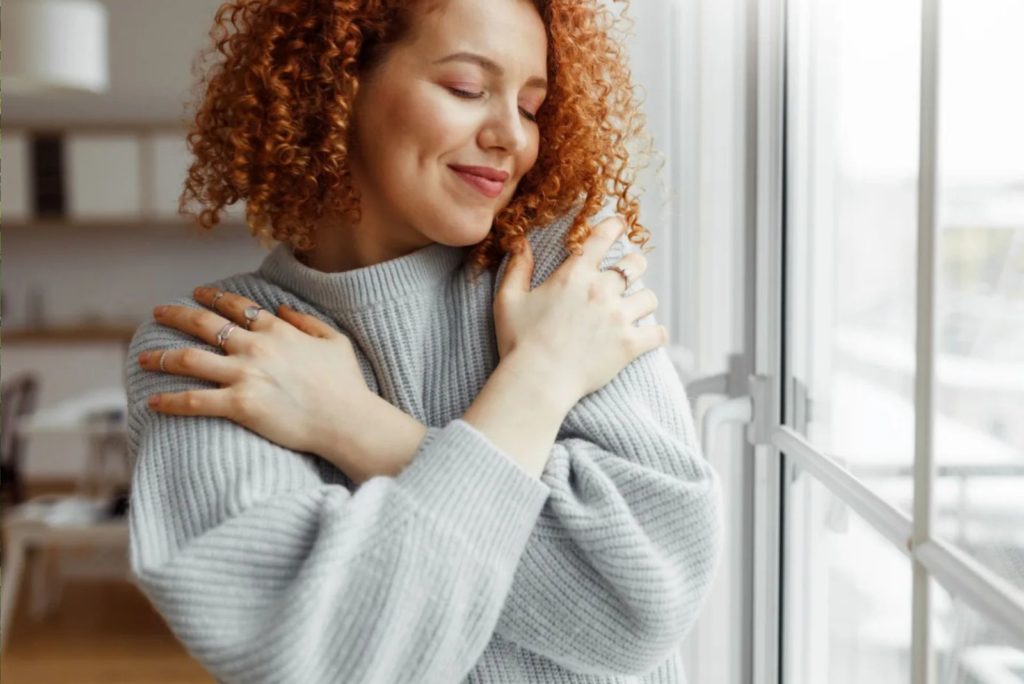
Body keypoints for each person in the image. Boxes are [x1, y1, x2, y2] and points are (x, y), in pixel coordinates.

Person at [125, 0, 723, 682]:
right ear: (338, 84)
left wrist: (357, 426)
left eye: (530, 106)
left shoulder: (564, 279)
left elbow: (637, 609)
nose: (511, 137)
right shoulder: (219, 346)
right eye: (467, 89)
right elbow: (317, 657)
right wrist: (541, 379)